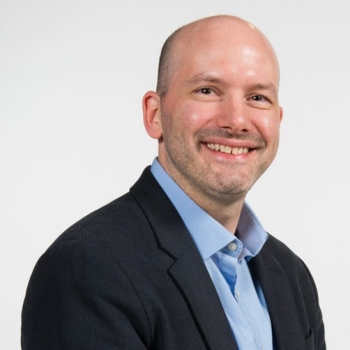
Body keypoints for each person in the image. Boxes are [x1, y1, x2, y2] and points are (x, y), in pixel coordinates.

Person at [21, 15, 326, 350]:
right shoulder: (85, 271)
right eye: (207, 90)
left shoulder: (292, 276)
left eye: (258, 98)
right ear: (155, 114)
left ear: (277, 120)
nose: (237, 121)